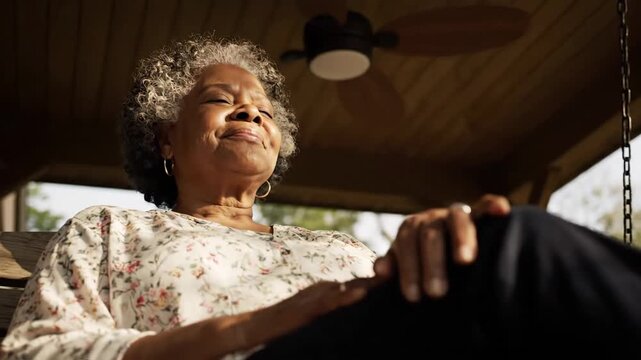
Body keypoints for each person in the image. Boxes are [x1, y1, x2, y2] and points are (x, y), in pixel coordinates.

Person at [1, 34, 640, 359]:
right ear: (166, 137)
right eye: (221, 99)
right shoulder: (111, 230)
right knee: (524, 244)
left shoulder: (335, 245)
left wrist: (439, 251)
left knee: (496, 247)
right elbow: (37, 352)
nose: (250, 111)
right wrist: (251, 327)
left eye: (264, 109)